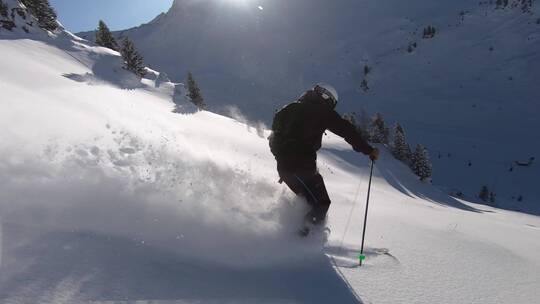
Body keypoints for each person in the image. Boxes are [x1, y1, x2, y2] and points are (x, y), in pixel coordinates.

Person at [269, 83, 379, 234]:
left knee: (310, 202)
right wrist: (369, 150)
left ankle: (293, 233)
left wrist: (283, 158)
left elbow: (274, 137)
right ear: (327, 98)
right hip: (299, 166)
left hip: (289, 167)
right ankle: (300, 241)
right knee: (320, 204)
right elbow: (347, 130)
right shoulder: (320, 111)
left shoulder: (290, 108)